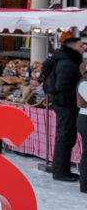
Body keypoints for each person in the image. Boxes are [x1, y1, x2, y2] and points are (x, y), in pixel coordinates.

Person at [43, 35, 84, 182]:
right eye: (81, 45)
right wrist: (74, 101)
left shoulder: (64, 60)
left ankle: (62, 170)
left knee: (65, 137)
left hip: (64, 105)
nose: (83, 48)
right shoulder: (67, 64)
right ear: (73, 47)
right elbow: (63, 86)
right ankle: (60, 172)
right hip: (66, 105)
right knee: (65, 137)